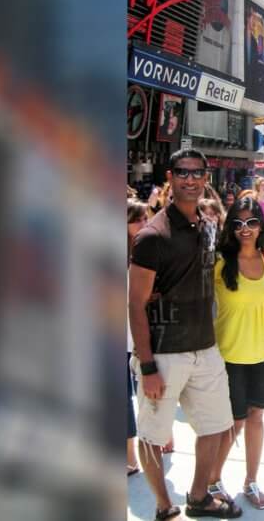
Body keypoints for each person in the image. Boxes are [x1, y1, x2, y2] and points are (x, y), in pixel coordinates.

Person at [128, 149, 242, 519]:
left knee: (217, 426)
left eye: (197, 173)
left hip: (205, 348)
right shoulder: (151, 236)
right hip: (163, 354)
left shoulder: (207, 225)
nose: (190, 179)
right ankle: (164, 506)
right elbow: (134, 304)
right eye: (182, 172)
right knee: (152, 437)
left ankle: (197, 497)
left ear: (206, 177)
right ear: (170, 177)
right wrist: (147, 367)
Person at [208, 197, 264, 511]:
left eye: (252, 222)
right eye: (238, 223)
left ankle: (251, 480)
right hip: (228, 354)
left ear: (261, 225)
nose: (246, 229)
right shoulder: (219, 262)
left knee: (256, 417)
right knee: (234, 421)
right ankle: (213, 480)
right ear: (231, 228)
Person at [126, 199, 149, 477]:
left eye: (145, 219)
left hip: (143, 337)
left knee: (147, 395)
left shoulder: (152, 248)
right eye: (137, 220)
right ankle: (130, 455)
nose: (143, 225)